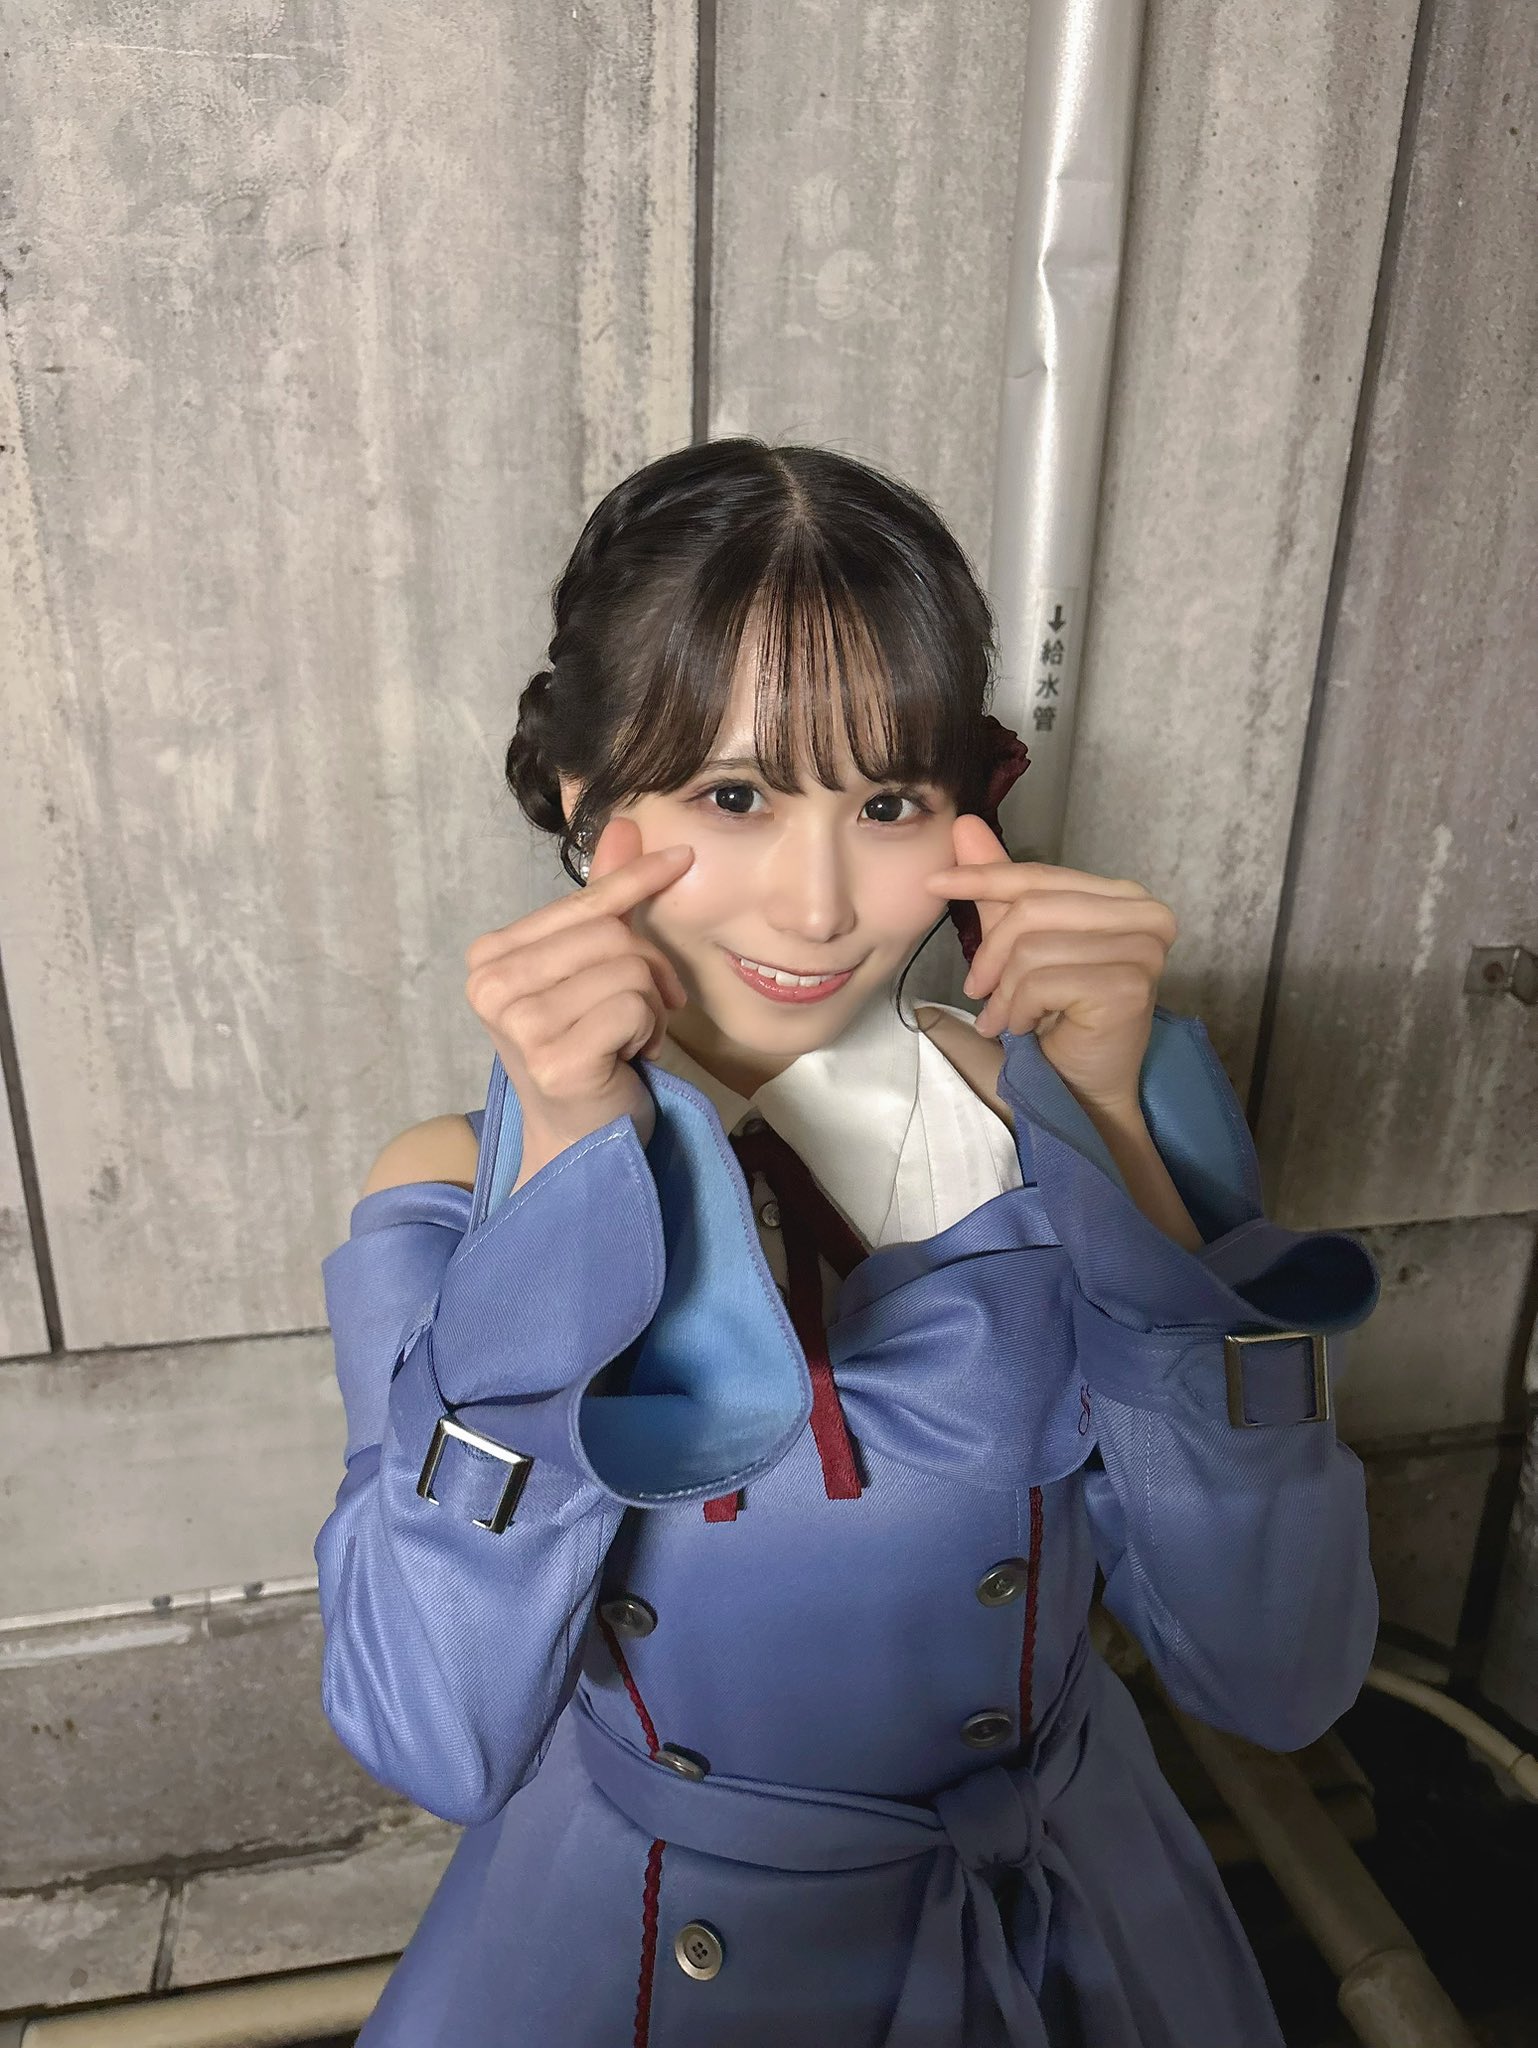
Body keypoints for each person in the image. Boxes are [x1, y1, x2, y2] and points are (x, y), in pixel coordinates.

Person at [315, 438, 1381, 2047]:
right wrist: (560, 1189)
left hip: (1064, 1916)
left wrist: (1112, 1136)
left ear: (967, 814)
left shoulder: (1068, 1115)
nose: (816, 909)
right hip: (646, 1949)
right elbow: (432, 1737)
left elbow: (1278, 1674)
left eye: (886, 802)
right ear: (583, 799)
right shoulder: (456, 1186)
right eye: (734, 796)